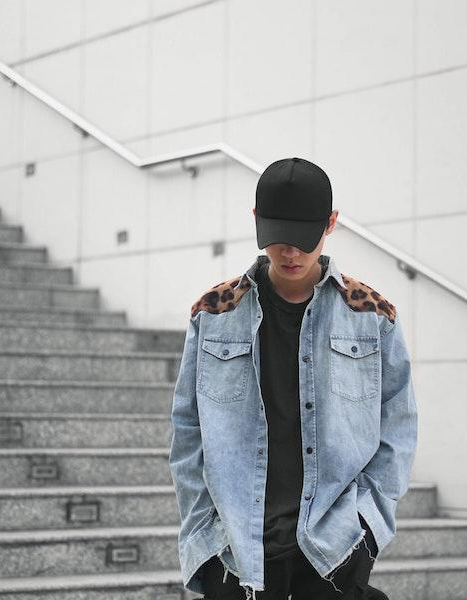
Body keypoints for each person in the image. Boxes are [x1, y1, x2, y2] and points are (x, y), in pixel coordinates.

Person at [169, 157, 418, 599]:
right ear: (257, 223)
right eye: (277, 236)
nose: (289, 252)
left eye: (303, 238)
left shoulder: (371, 316)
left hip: (333, 547)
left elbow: (397, 431)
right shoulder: (213, 313)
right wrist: (202, 539)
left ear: (331, 224)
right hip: (235, 550)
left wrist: (368, 530)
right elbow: (188, 434)